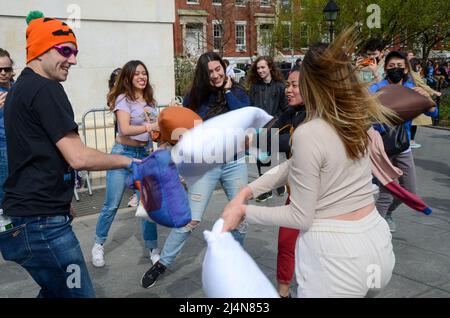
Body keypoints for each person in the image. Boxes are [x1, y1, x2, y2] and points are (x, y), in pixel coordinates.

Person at [221, 28, 396, 298]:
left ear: (311, 83)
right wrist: (248, 191)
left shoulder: (309, 131)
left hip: (336, 258)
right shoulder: (354, 120)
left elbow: (299, 216)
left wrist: (244, 212)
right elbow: (295, 166)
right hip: (377, 245)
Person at [0, 11, 134, 298]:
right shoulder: (47, 89)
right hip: (43, 227)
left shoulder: (20, 88)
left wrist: (61, 201)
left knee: (56, 291)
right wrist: (129, 161)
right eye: (66, 50)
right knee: (77, 294)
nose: (73, 59)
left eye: (75, 52)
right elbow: (79, 157)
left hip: (30, 220)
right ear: (40, 50)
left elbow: (34, 155)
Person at [141, 52, 250, 289]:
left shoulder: (238, 92)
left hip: (235, 162)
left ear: (224, 67)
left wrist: (229, 91)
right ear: (203, 74)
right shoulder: (195, 97)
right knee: (190, 218)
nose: (215, 75)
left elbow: (242, 117)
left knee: (240, 215)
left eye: (218, 69)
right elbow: (184, 130)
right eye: (210, 72)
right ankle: (163, 263)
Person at [91, 60, 160, 268]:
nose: (142, 77)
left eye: (144, 73)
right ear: (129, 77)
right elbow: (125, 129)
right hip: (123, 154)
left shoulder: (150, 101)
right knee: (111, 203)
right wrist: (152, 126)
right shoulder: (123, 99)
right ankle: (98, 244)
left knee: (146, 205)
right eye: (137, 73)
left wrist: (164, 130)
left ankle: (152, 248)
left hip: (145, 155)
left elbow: (155, 132)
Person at [369, 51, 437, 232]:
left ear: (406, 68)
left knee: (410, 191)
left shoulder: (410, 88)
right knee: (386, 193)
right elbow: (365, 114)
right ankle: (375, 229)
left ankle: (387, 213)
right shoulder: (378, 88)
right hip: (382, 149)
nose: (396, 70)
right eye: (391, 67)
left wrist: (427, 98)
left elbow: (432, 112)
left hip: (402, 146)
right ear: (386, 69)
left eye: (399, 67)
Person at [247, 56, 288, 202]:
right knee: (261, 158)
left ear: (270, 67)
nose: (260, 70)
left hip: (276, 125)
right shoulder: (255, 87)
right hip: (260, 127)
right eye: (258, 68)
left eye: (263, 67)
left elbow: (286, 107)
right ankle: (265, 190)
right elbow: (251, 106)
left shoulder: (280, 85)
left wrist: (279, 120)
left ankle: (279, 183)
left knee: (275, 157)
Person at [107, 67, 139, 207]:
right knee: (111, 204)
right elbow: (124, 128)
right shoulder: (118, 98)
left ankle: (135, 194)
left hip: (138, 146)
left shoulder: (133, 97)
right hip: (122, 145)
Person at [409, 58, 442, 149]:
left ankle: (409, 140)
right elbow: (422, 85)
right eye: (418, 66)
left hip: (411, 99)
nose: (419, 68)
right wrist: (434, 92)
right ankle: (410, 140)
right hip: (415, 100)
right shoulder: (413, 74)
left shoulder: (409, 73)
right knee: (414, 122)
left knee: (412, 122)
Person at [0, 48, 14, 209]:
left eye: (7, 69)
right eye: (0, 69)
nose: (3, 73)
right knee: (5, 195)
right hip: (3, 149)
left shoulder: (17, 87)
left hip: (22, 146)